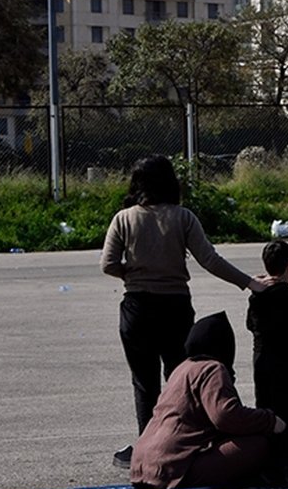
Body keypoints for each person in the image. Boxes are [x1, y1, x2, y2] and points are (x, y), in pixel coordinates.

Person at [101, 155, 271, 470]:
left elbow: (108, 263)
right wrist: (248, 282)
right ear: (171, 183)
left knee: (144, 382)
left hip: (136, 309)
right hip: (175, 308)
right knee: (180, 379)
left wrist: (133, 273)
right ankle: (184, 442)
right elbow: (210, 259)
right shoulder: (183, 218)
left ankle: (146, 447)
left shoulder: (123, 219)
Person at [130, 312, 288, 489]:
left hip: (142, 465)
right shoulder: (212, 368)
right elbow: (226, 416)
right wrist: (271, 421)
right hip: (170, 469)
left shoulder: (182, 369)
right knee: (259, 444)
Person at [246, 240, 288, 428]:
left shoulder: (256, 294)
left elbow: (250, 324)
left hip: (261, 358)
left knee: (265, 408)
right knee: (286, 410)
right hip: (284, 361)